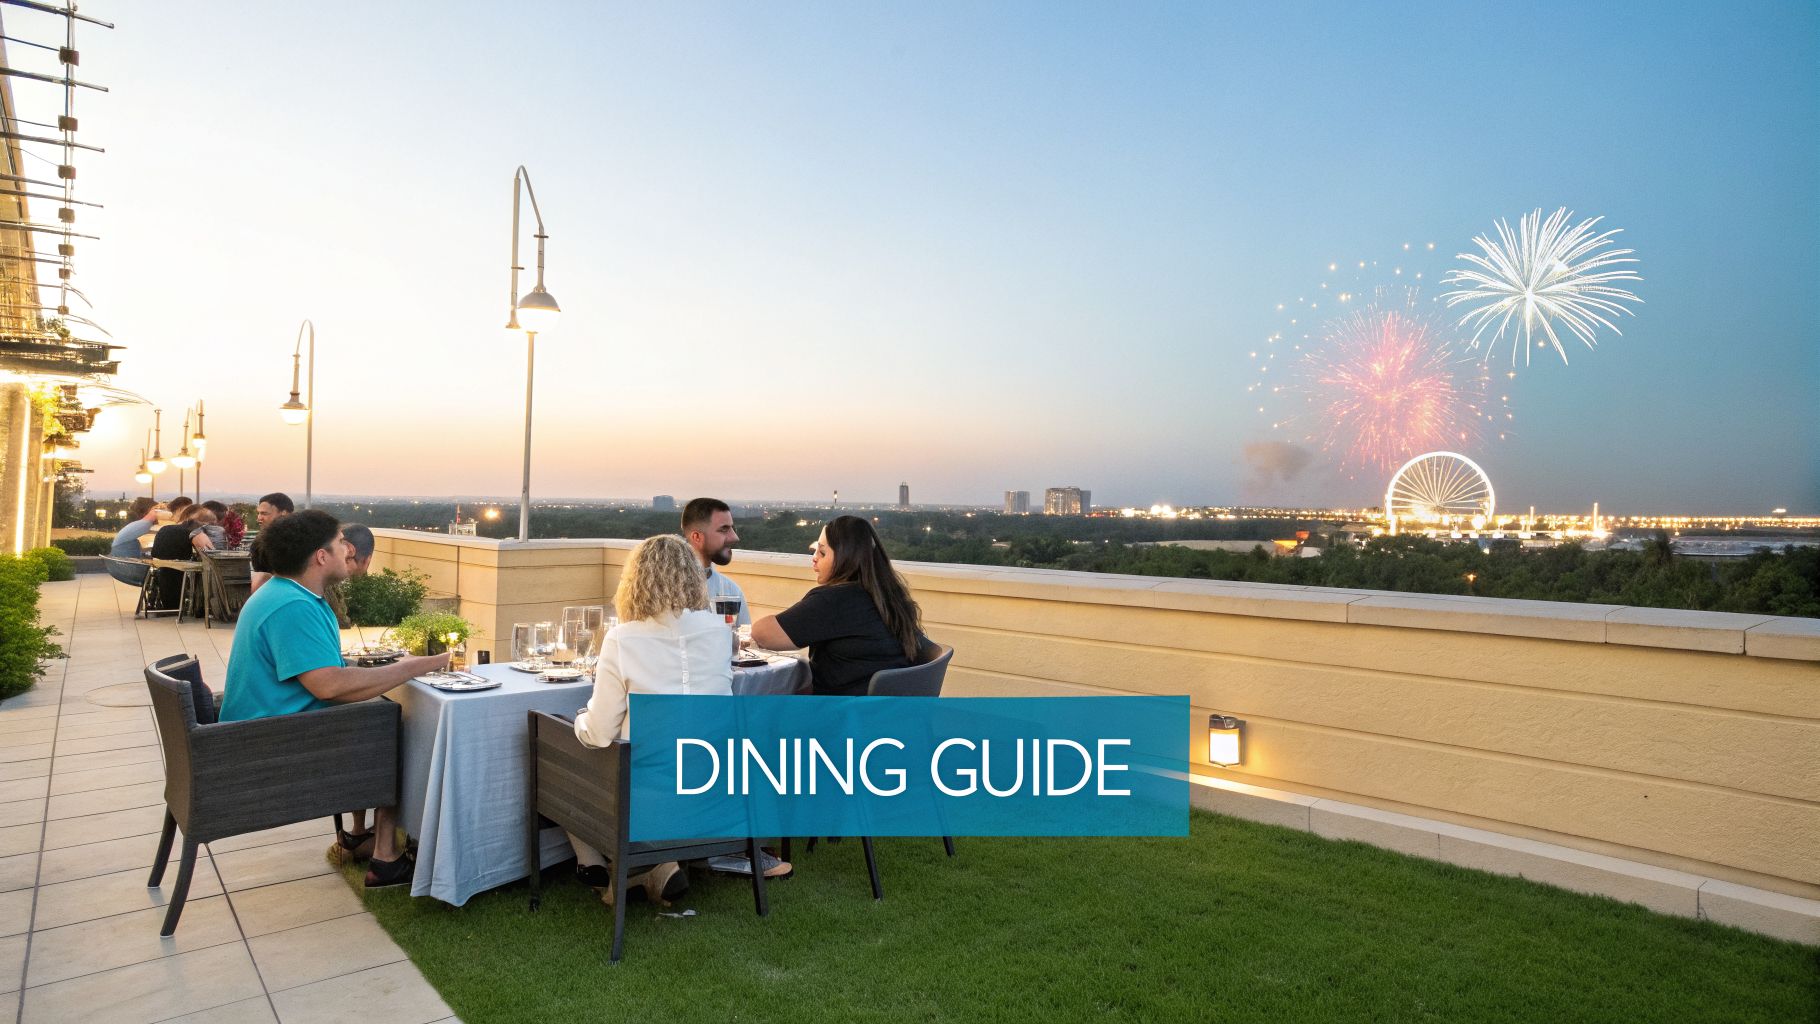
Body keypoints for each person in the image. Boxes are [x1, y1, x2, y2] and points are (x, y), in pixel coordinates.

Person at [218, 509, 449, 887]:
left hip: (267, 730)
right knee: (398, 725)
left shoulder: (286, 594)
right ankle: (386, 857)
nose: (348, 549)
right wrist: (413, 667)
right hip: (268, 748)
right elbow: (329, 686)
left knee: (381, 712)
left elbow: (322, 673)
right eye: (341, 543)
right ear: (321, 556)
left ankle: (360, 835)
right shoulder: (293, 605)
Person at [569, 534, 791, 899]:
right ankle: (648, 871)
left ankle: (602, 867)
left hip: (649, 796)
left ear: (634, 581)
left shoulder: (623, 639)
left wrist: (579, 720)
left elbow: (599, 733)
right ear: (693, 578)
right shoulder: (719, 633)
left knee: (566, 756)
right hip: (717, 786)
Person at [751, 515, 922, 696]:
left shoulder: (836, 600)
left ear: (846, 558)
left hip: (842, 709)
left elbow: (763, 634)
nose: (814, 558)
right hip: (889, 708)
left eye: (822, 553)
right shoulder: (890, 595)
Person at [681, 497, 750, 626]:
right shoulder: (665, 590)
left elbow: (741, 634)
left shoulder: (731, 591)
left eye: (732, 528)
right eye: (724, 529)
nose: (735, 537)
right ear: (696, 537)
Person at [147, 503, 204, 611]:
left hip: (160, 567)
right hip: (179, 570)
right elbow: (197, 552)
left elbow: (155, 552)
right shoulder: (189, 532)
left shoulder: (165, 528)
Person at [248, 492, 295, 595]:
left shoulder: (302, 541)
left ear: (284, 513)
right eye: (259, 513)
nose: (259, 518)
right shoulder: (260, 541)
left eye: (264, 513)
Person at [107, 497, 160, 586]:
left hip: (121, 567)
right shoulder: (145, 525)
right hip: (132, 570)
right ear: (149, 511)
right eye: (156, 510)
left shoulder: (138, 525)